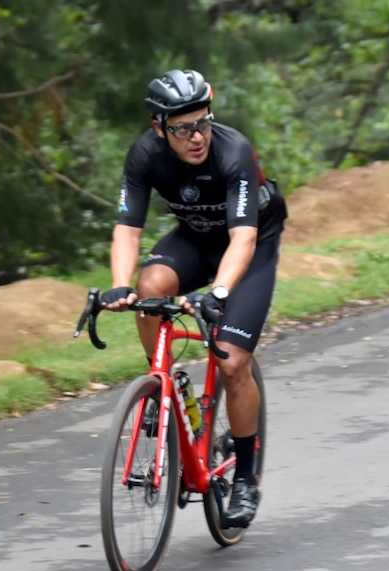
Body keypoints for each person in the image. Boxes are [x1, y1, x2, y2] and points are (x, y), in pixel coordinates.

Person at [100, 68, 288, 528]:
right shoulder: (144, 154)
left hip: (249, 244)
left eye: (202, 122)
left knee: (230, 360)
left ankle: (245, 479)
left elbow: (242, 238)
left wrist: (218, 293)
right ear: (159, 127)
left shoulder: (233, 151)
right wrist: (120, 285)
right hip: (196, 238)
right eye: (183, 129)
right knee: (149, 290)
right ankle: (161, 383)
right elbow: (128, 228)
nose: (197, 136)